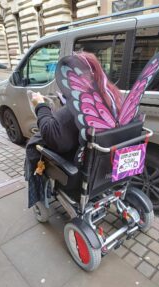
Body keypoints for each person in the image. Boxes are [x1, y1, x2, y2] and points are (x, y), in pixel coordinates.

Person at [25, 51, 123, 208]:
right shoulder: (112, 96)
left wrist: (40, 105)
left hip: (80, 169)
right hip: (106, 165)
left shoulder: (80, 104)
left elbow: (52, 136)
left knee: (34, 145)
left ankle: (38, 194)